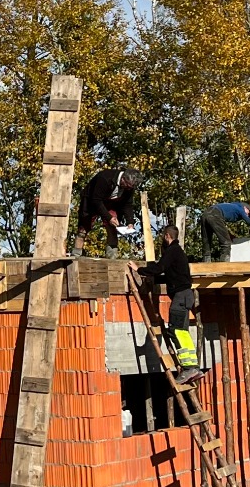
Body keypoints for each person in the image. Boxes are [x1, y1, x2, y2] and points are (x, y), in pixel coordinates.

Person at [143, 220, 203, 385]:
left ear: (167, 236)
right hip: (185, 295)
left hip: (181, 296)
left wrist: (139, 269)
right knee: (182, 332)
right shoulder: (179, 252)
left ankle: (189, 368)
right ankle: (193, 367)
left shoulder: (173, 251)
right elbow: (169, 275)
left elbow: (159, 268)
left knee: (176, 331)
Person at [75, 165, 141, 253]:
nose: (128, 189)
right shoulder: (105, 178)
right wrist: (109, 217)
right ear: (123, 178)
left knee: (113, 228)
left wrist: (130, 222)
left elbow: (127, 204)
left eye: (130, 188)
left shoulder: (129, 188)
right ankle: (76, 254)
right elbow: (96, 200)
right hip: (91, 201)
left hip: (111, 204)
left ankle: (112, 256)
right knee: (83, 230)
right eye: (127, 186)